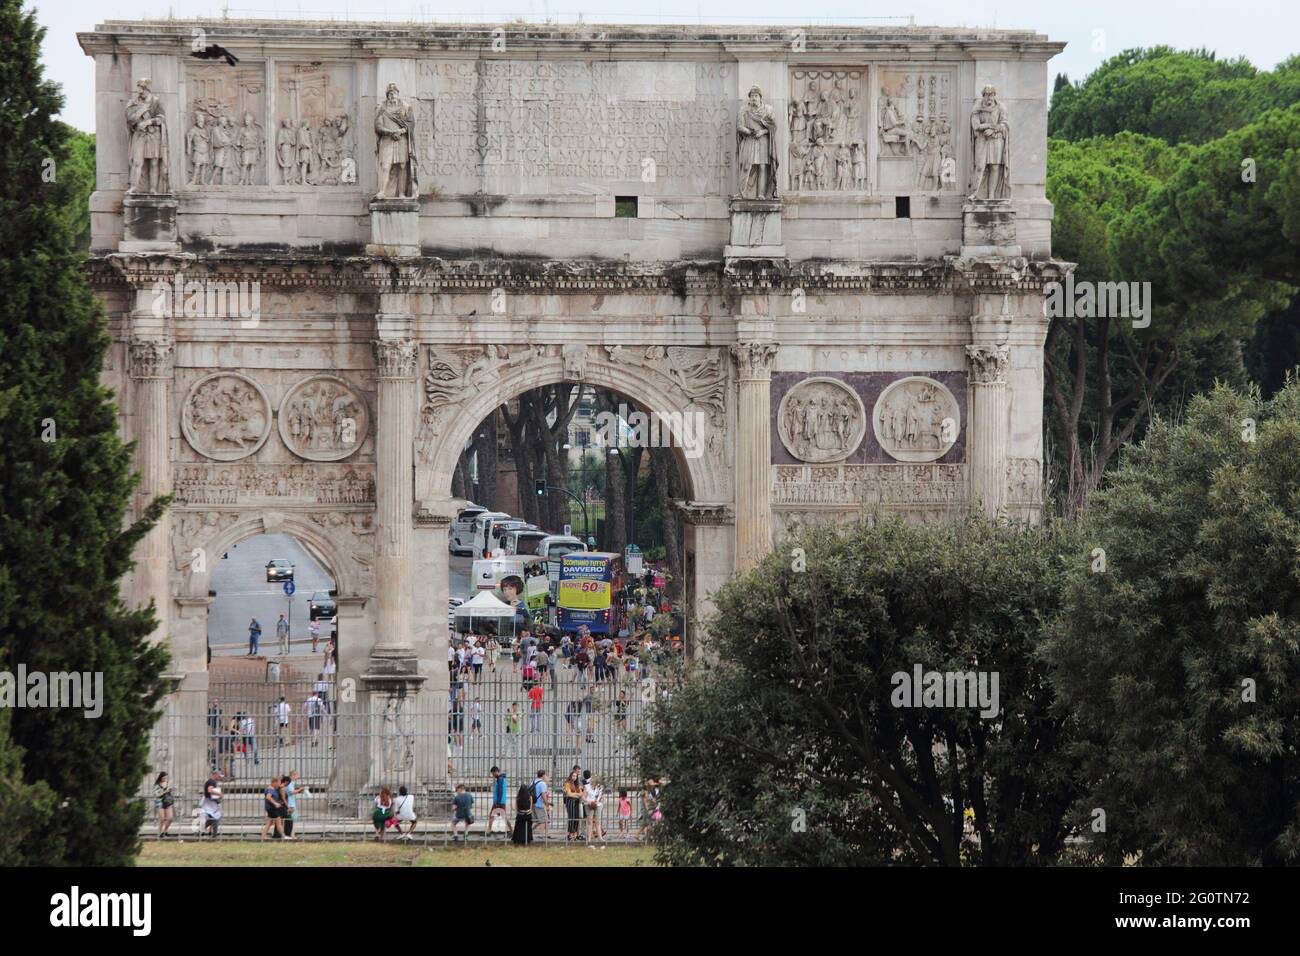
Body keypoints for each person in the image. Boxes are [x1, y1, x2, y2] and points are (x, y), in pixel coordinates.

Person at [584, 772, 605, 846]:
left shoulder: (600, 787)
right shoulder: (587, 786)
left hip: (597, 804)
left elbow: (600, 796)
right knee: (590, 821)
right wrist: (589, 802)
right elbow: (584, 797)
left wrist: (597, 801)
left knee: (597, 821)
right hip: (589, 804)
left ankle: (600, 837)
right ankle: (589, 838)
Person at [262, 775, 286, 840]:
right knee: (278, 822)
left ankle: (263, 836)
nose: (279, 784)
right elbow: (268, 797)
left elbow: (273, 795)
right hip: (272, 808)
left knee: (270, 823)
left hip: (270, 808)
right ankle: (283, 836)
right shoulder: (270, 789)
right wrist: (275, 803)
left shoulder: (271, 788)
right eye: (278, 783)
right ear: (274, 782)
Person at [200, 769, 224, 838]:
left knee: (213, 818)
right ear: (215, 775)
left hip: (210, 803)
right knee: (215, 818)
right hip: (209, 803)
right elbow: (209, 790)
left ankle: (204, 831)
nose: (220, 777)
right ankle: (214, 836)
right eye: (219, 776)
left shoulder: (212, 781)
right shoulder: (211, 782)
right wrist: (219, 794)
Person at [511, 779, 534, 845]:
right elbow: (530, 807)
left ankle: (517, 839)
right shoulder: (530, 797)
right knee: (528, 827)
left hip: (520, 814)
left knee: (518, 826)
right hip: (528, 814)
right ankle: (528, 839)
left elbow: (516, 808)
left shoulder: (518, 797)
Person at [563, 768, 583, 841]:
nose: (574, 777)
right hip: (570, 802)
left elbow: (581, 794)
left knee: (576, 818)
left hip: (577, 802)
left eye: (576, 776)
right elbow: (569, 794)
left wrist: (574, 794)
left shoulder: (577, 784)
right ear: (570, 776)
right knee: (571, 818)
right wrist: (576, 794)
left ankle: (574, 834)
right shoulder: (567, 783)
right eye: (573, 776)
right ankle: (570, 834)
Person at [488, 767, 509, 835]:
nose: (492, 775)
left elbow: (500, 791)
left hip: (499, 802)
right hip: (500, 802)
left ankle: (489, 830)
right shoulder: (501, 778)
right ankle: (511, 830)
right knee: (502, 816)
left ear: (496, 771)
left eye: (493, 773)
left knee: (492, 815)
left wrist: (498, 803)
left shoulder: (500, 779)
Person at [154, 772, 175, 839]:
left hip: (168, 802)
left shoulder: (168, 783)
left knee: (170, 818)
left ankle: (164, 831)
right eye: (164, 777)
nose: (166, 778)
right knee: (162, 819)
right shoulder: (157, 785)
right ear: (161, 777)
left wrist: (171, 790)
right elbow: (158, 795)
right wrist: (166, 791)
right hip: (160, 803)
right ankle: (159, 834)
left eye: (166, 777)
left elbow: (168, 791)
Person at [282, 771, 303, 839]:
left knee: (292, 819)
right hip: (291, 804)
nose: (298, 777)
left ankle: (292, 834)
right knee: (291, 820)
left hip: (291, 804)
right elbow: (291, 792)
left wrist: (298, 790)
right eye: (297, 775)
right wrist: (299, 790)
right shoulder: (290, 783)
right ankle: (291, 835)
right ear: (293, 775)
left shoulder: (291, 783)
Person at [532, 770, 551, 837]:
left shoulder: (533, 782)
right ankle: (543, 835)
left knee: (539, 820)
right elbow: (543, 795)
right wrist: (547, 804)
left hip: (533, 803)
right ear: (543, 775)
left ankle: (530, 831)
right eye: (545, 775)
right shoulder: (542, 783)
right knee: (544, 820)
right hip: (539, 804)